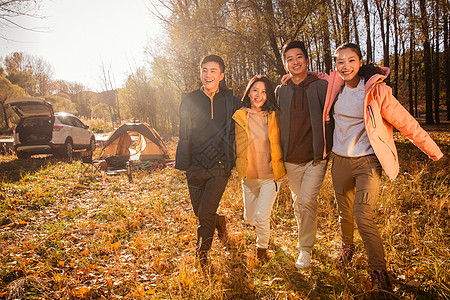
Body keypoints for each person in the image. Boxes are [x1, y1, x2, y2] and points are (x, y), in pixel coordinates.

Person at [323, 43, 443, 291]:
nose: (345, 66)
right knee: (344, 214)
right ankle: (347, 248)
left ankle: (378, 270)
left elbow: (406, 122)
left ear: (360, 62)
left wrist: (434, 151)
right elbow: (312, 77)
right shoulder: (333, 88)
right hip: (340, 161)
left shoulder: (377, 92)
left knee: (362, 215)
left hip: (367, 161)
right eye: (340, 61)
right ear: (335, 65)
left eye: (351, 61)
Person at [175, 54, 240, 267]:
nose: (208, 75)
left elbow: (258, 107)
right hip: (195, 166)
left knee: (205, 213)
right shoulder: (189, 100)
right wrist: (185, 163)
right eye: (204, 70)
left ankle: (202, 255)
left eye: (213, 71)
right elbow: (184, 134)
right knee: (201, 212)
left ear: (221, 75)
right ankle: (219, 222)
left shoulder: (232, 101)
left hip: (220, 166)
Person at [275, 40, 329, 269]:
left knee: (307, 200)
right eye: (289, 59)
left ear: (306, 59)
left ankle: (305, 250)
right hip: (290, 159)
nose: (295, 62)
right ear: (285, 64)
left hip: (316, 157)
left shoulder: (321, 86)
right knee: (299, 203)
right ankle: (305, 240)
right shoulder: (281, 90)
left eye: (299, 57)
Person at [233, 75, 286, 263]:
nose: (259, 95)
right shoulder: (239, 115)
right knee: (250, 219)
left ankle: (261, 249)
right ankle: (261, 233)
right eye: (255, 90)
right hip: (248, 176)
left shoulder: (274, 115)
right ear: (248, 92)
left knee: (261, 216)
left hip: (270, 176)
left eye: (264, 91)